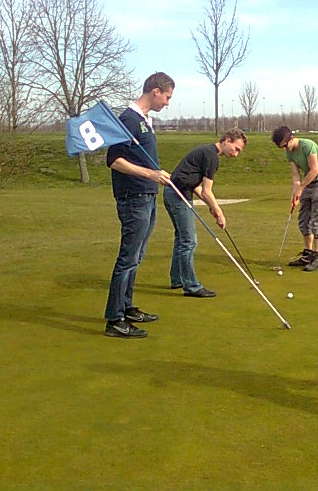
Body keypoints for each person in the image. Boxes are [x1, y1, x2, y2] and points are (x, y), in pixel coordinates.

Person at [104, 72, 175, 339]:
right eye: (167, 97)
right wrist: (150, 174)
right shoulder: (129, 119)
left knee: (137, 256)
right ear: (155, 91)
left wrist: (156, 176)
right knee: (127, 258)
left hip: (147, 196)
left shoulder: (144, 121)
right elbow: (114, 160)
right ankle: (114, 319)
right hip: (133, 197)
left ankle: (126, 306)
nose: (167, 103)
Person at [164, 128, 248, 298]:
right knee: (189, 241)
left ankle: (177, 279)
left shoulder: (207, 151)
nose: (235, 154)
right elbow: (206, 191)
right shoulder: (211, 156)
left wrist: (211, 206)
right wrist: (219, 213)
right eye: (236, 149)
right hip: (177, 195)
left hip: (174, 192)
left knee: (182, 238)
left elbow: (194, 184)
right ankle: (191, 286)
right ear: (227, 140)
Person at [271, 126, 318, 272]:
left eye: (285, 145)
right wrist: (295, 193)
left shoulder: (307, 145)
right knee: (303, 221)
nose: (285, 149)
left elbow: (314, 170)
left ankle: (317, 257)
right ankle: (307, 254)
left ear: (291, 138)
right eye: (282, 147)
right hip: (306, 186)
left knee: (317, 222)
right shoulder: (289, 153)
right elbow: (295, 175)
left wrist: (301, 187)